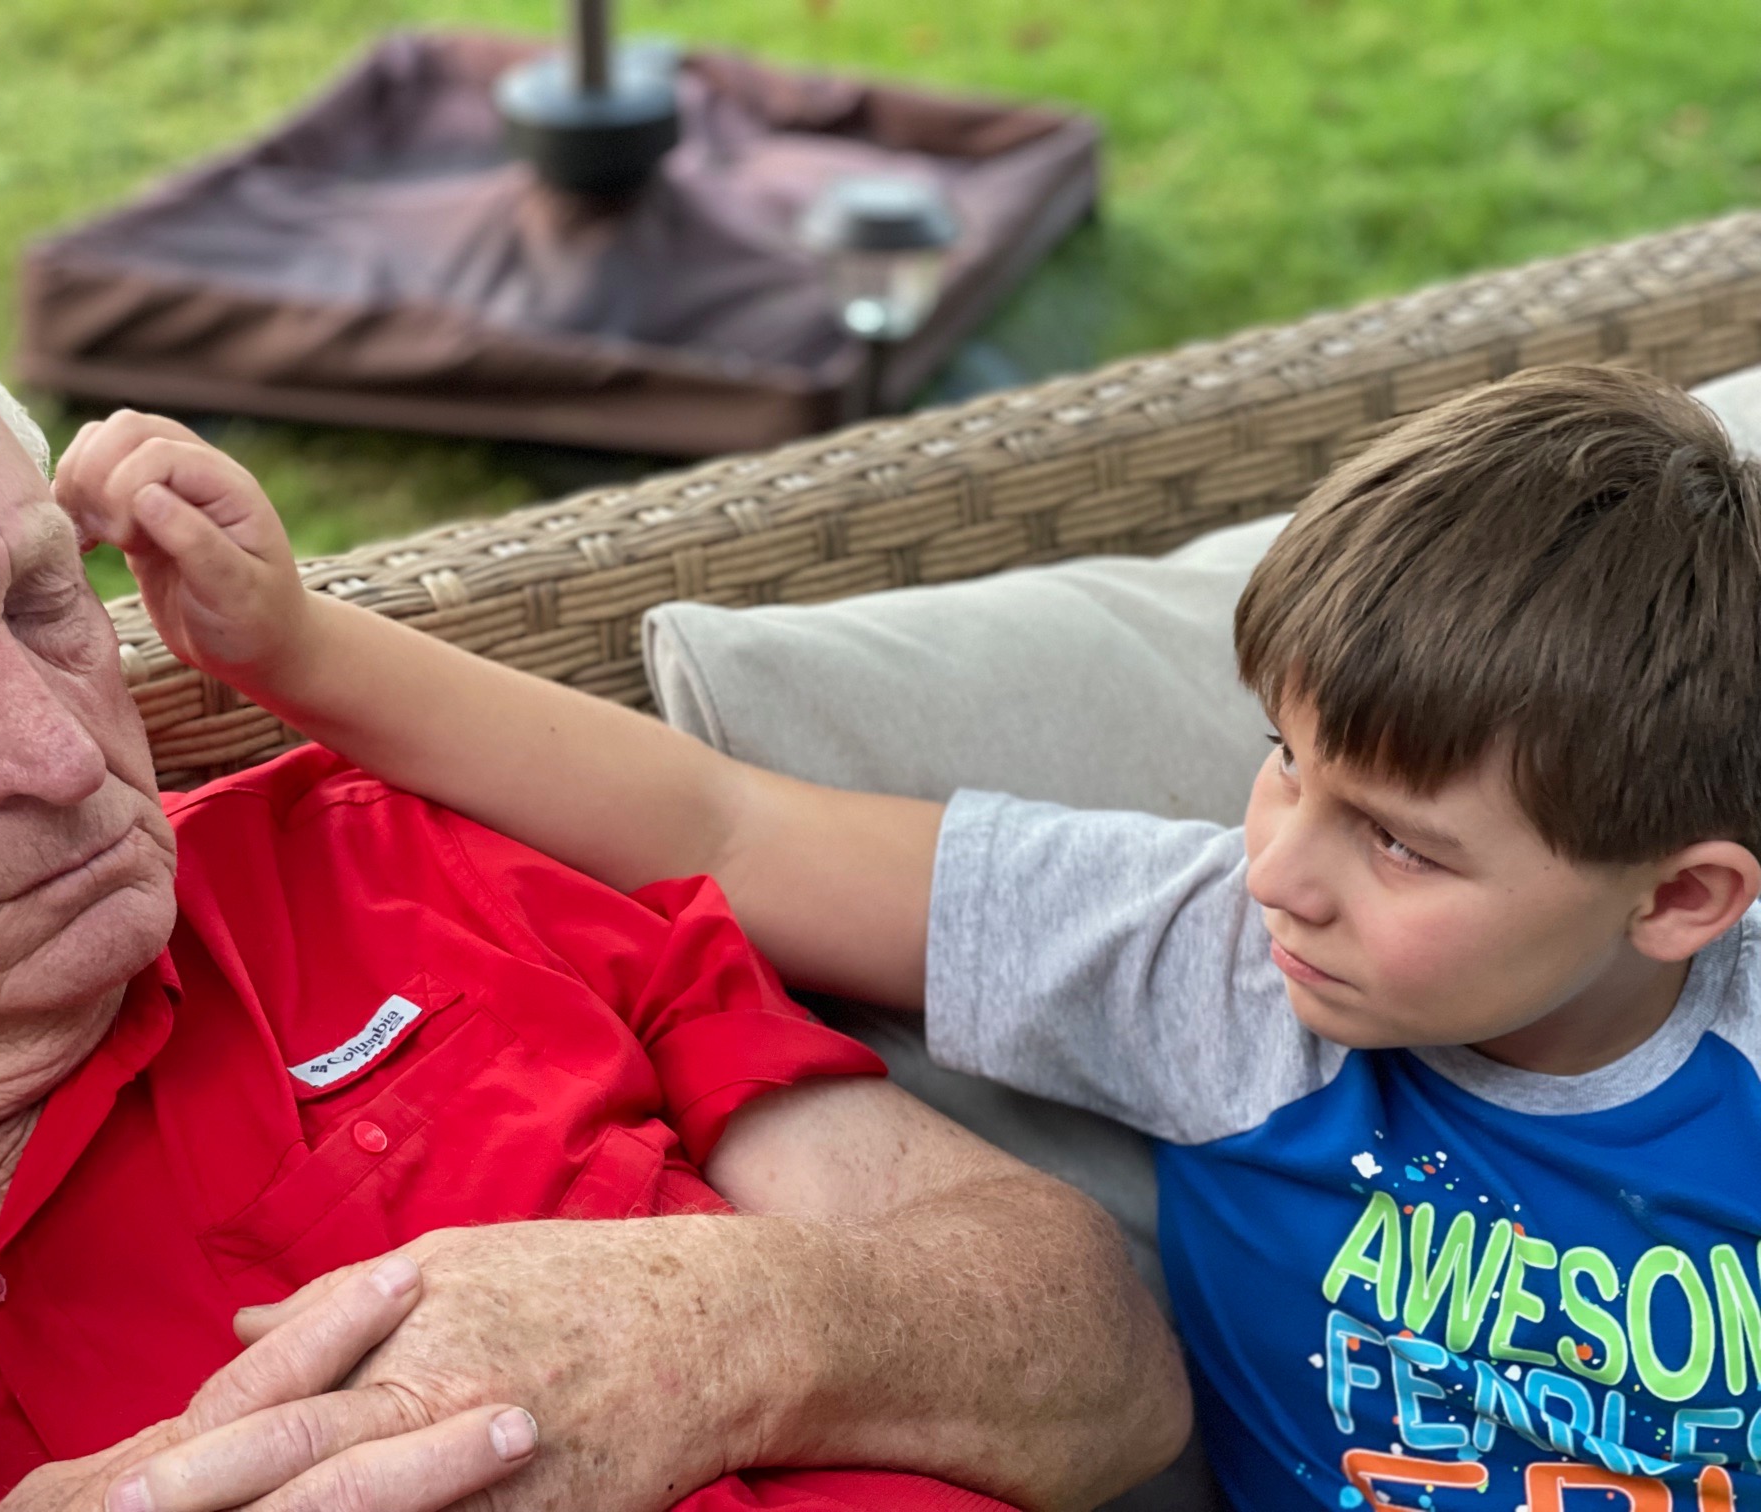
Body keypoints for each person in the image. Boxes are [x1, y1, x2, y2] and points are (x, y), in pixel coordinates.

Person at [94, 357, 1761, 1510]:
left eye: (1399, 844)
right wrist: (291, 646)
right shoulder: (1206, 968)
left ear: (1682, 898)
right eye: (1284, 761)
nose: (1279, 870)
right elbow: (721, 827)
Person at [0, 248, 1189, 1512]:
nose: (62, 753)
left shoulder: (391, 860)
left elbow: (1107, 1357)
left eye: (43, 600)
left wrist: (716, 1328)